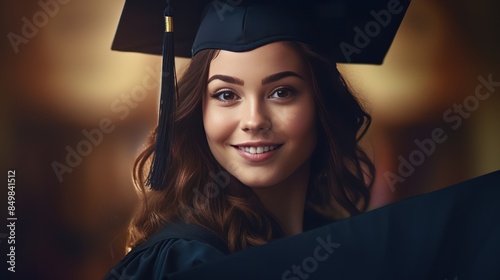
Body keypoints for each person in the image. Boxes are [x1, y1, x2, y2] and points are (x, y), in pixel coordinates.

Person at [106, 0, 408, 279]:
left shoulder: (338, 248)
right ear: (199, 112)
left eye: (282, 92)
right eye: (226, 95)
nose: (254, 121)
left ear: (321, 103)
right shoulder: (188, 259)